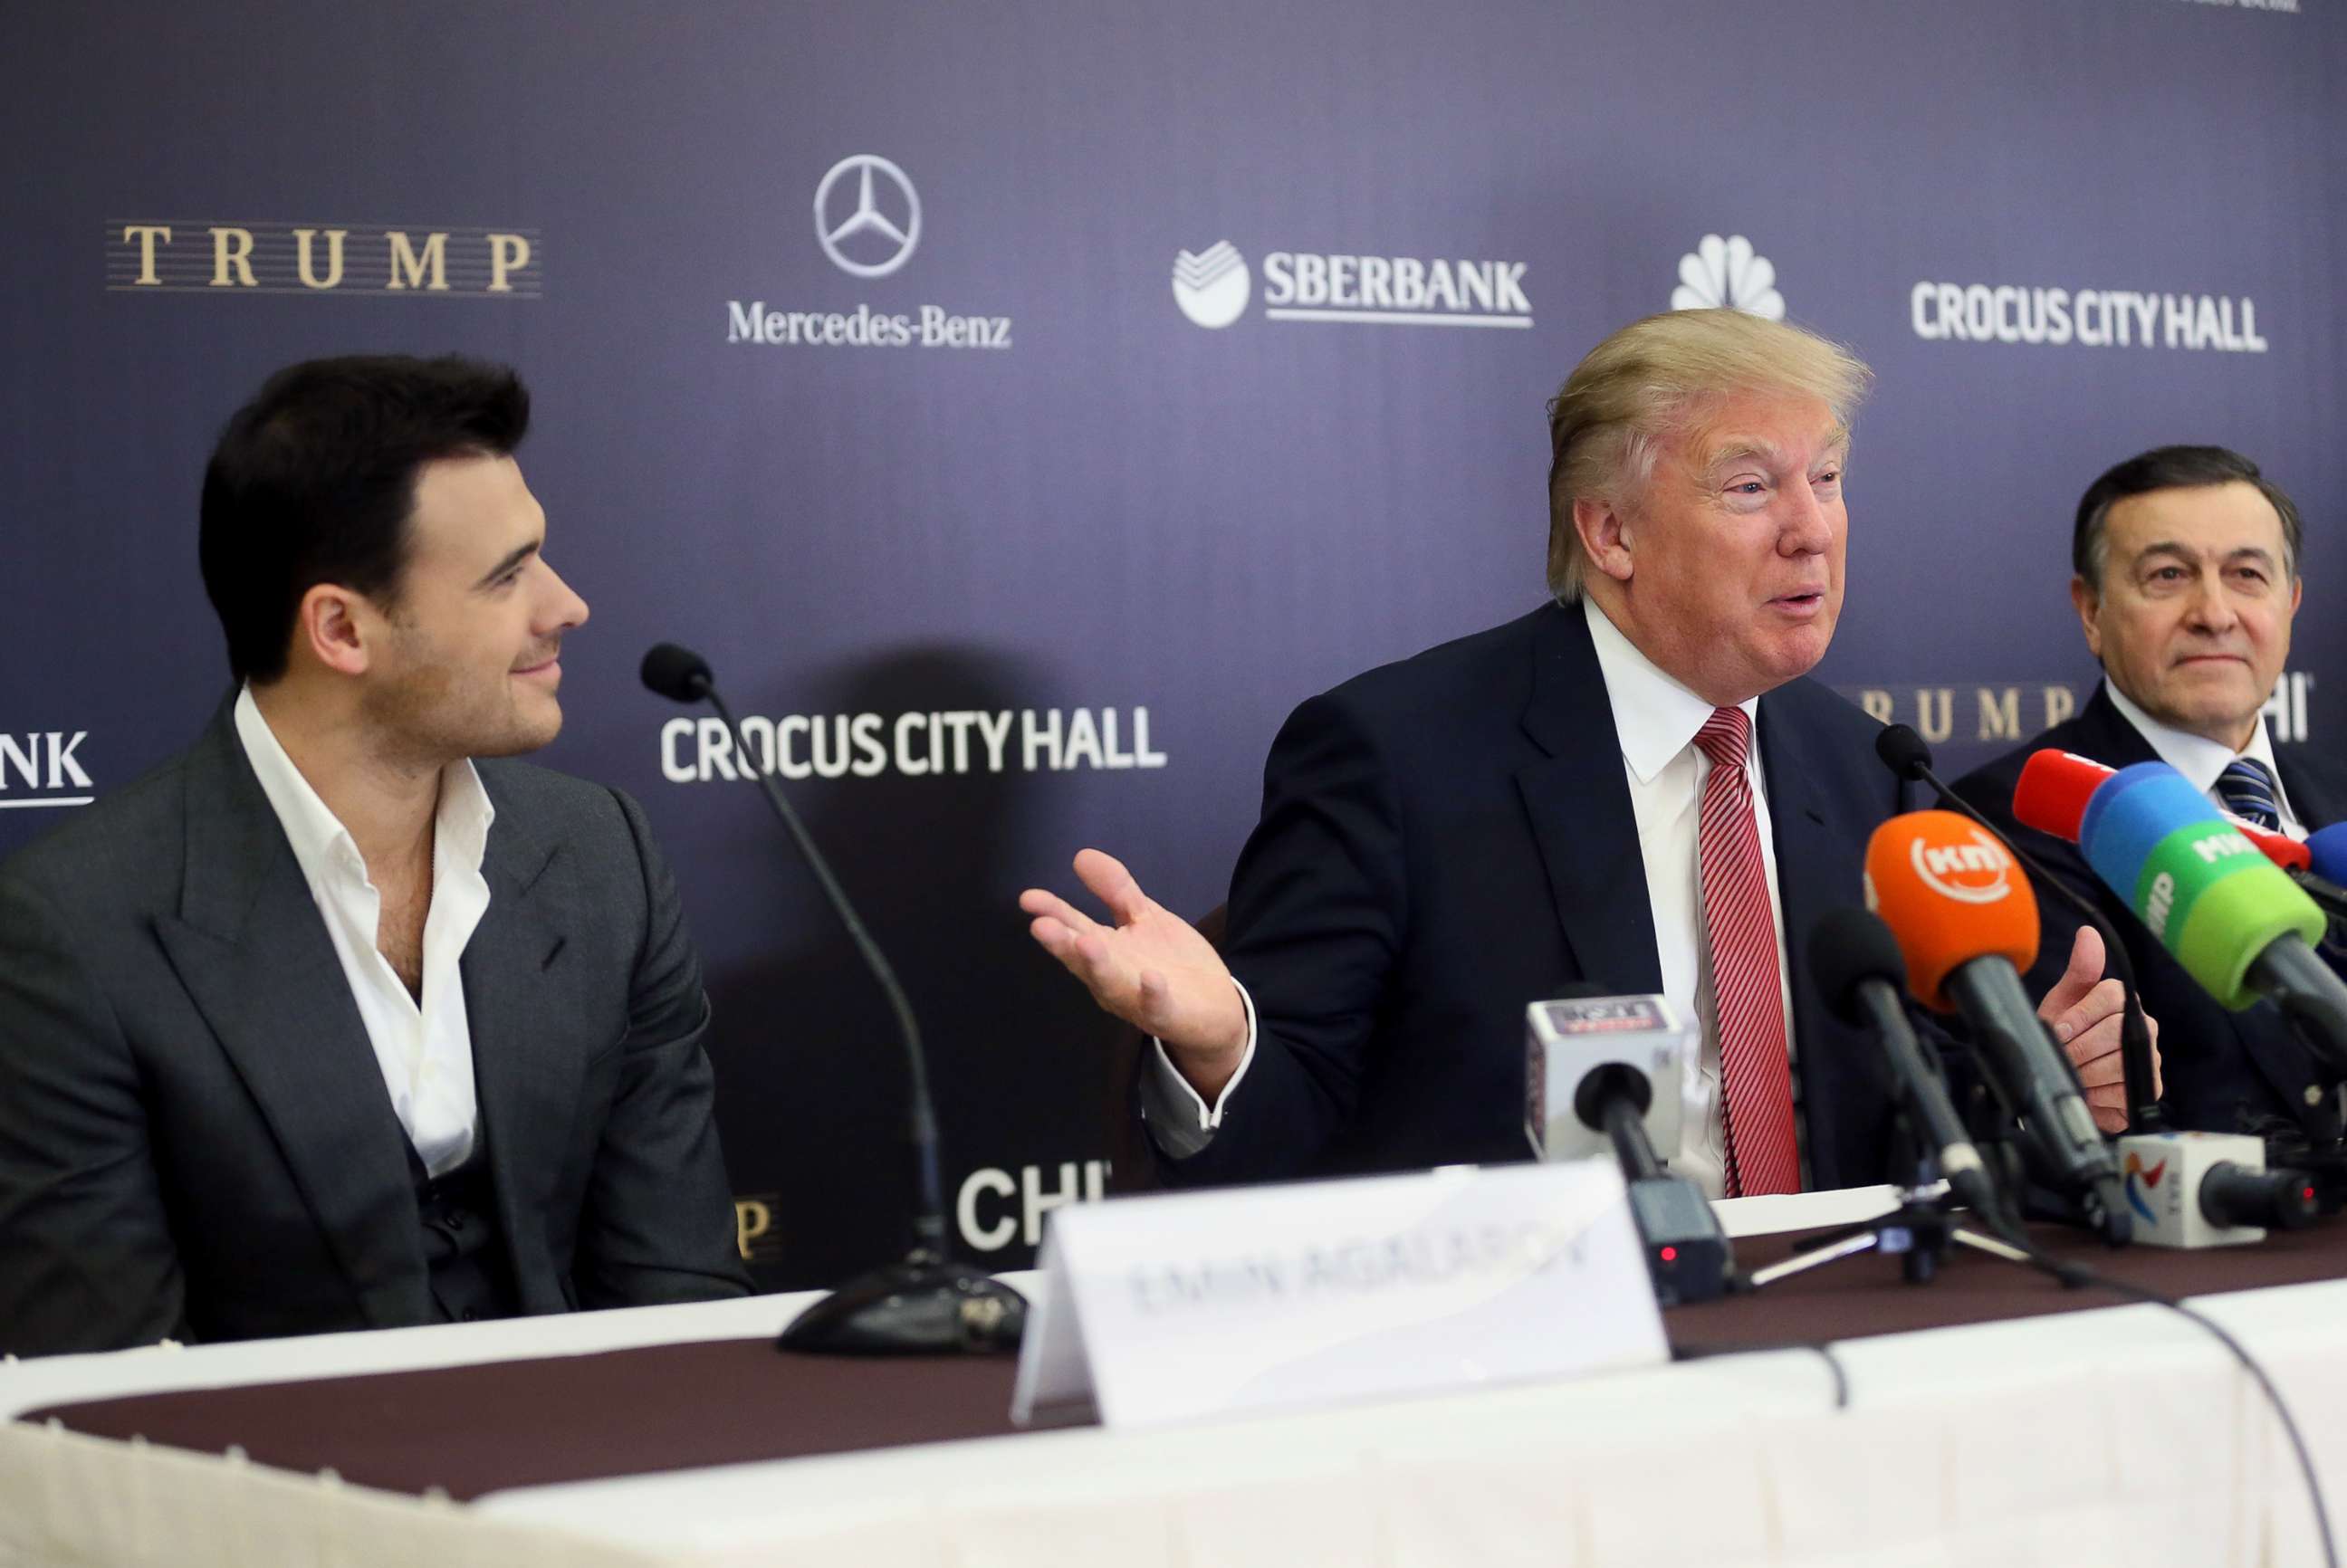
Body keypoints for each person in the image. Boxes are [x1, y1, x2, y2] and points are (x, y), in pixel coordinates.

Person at [1023, 310, 2141, 1193]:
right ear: (1610, 534)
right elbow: (1285, 1133)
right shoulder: (1398, 756)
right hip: (1525, 1356)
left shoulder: (1869, 767)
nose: (1813, 527)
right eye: (1752, 487)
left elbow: (1895, 1130)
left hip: (1829, 1327)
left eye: (1830, 478)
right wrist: (1222, 1050)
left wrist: (2024, 1077)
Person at [0, 355, 750, 1358]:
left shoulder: (600, 853)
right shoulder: (74, 929)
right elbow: (109, 1394)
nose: (566, 605)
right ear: (342, 629)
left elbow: (679, 1295)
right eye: (507, 575)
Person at [1959, 445, 2343, 1142]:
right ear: (2092, 611)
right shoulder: (2016, 818)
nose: (2215, 613)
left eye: (2247, 575)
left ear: (2290, 605)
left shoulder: (2339, 798)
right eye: (2169, 576)